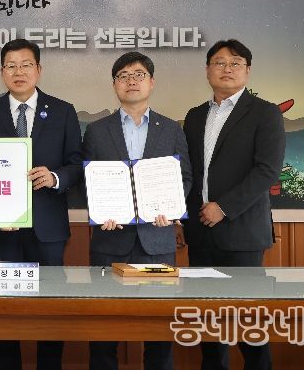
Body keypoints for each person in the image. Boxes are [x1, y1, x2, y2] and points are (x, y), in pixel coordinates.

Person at [0, 38, 83, 370]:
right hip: (2, 229)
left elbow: (77, 164)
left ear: (39, 69)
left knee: (50, 309)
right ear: (2, 72)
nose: (18, 72)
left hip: (48, 230)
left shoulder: (63, 111)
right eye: (11, 66)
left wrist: (55, 177)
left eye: (26, 65)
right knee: (3, 310)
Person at [82, 52, 192, 370]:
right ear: (114, 84)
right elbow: (88, 181)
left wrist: (170, 208)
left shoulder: (171, 129)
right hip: (109, 243)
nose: (131, 81)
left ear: (151, 82)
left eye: (139, 74)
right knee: (104, 331)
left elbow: (184, 177)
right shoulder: (97, 130)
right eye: (123, 76)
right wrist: (101, 210)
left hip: (157, 242)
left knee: (159, 333)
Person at [183, 39, 285, 370]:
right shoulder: (195, 116)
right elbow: (190, 172)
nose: (227, 69)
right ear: (207, 70)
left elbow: (267, 170)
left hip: (242, 235)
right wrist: (182, 217)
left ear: (247, 70)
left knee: (249, 326)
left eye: (235, 63)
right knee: (208, 325)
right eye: (219, 62)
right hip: (201, 234)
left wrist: (223, 207)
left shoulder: (265, 113)